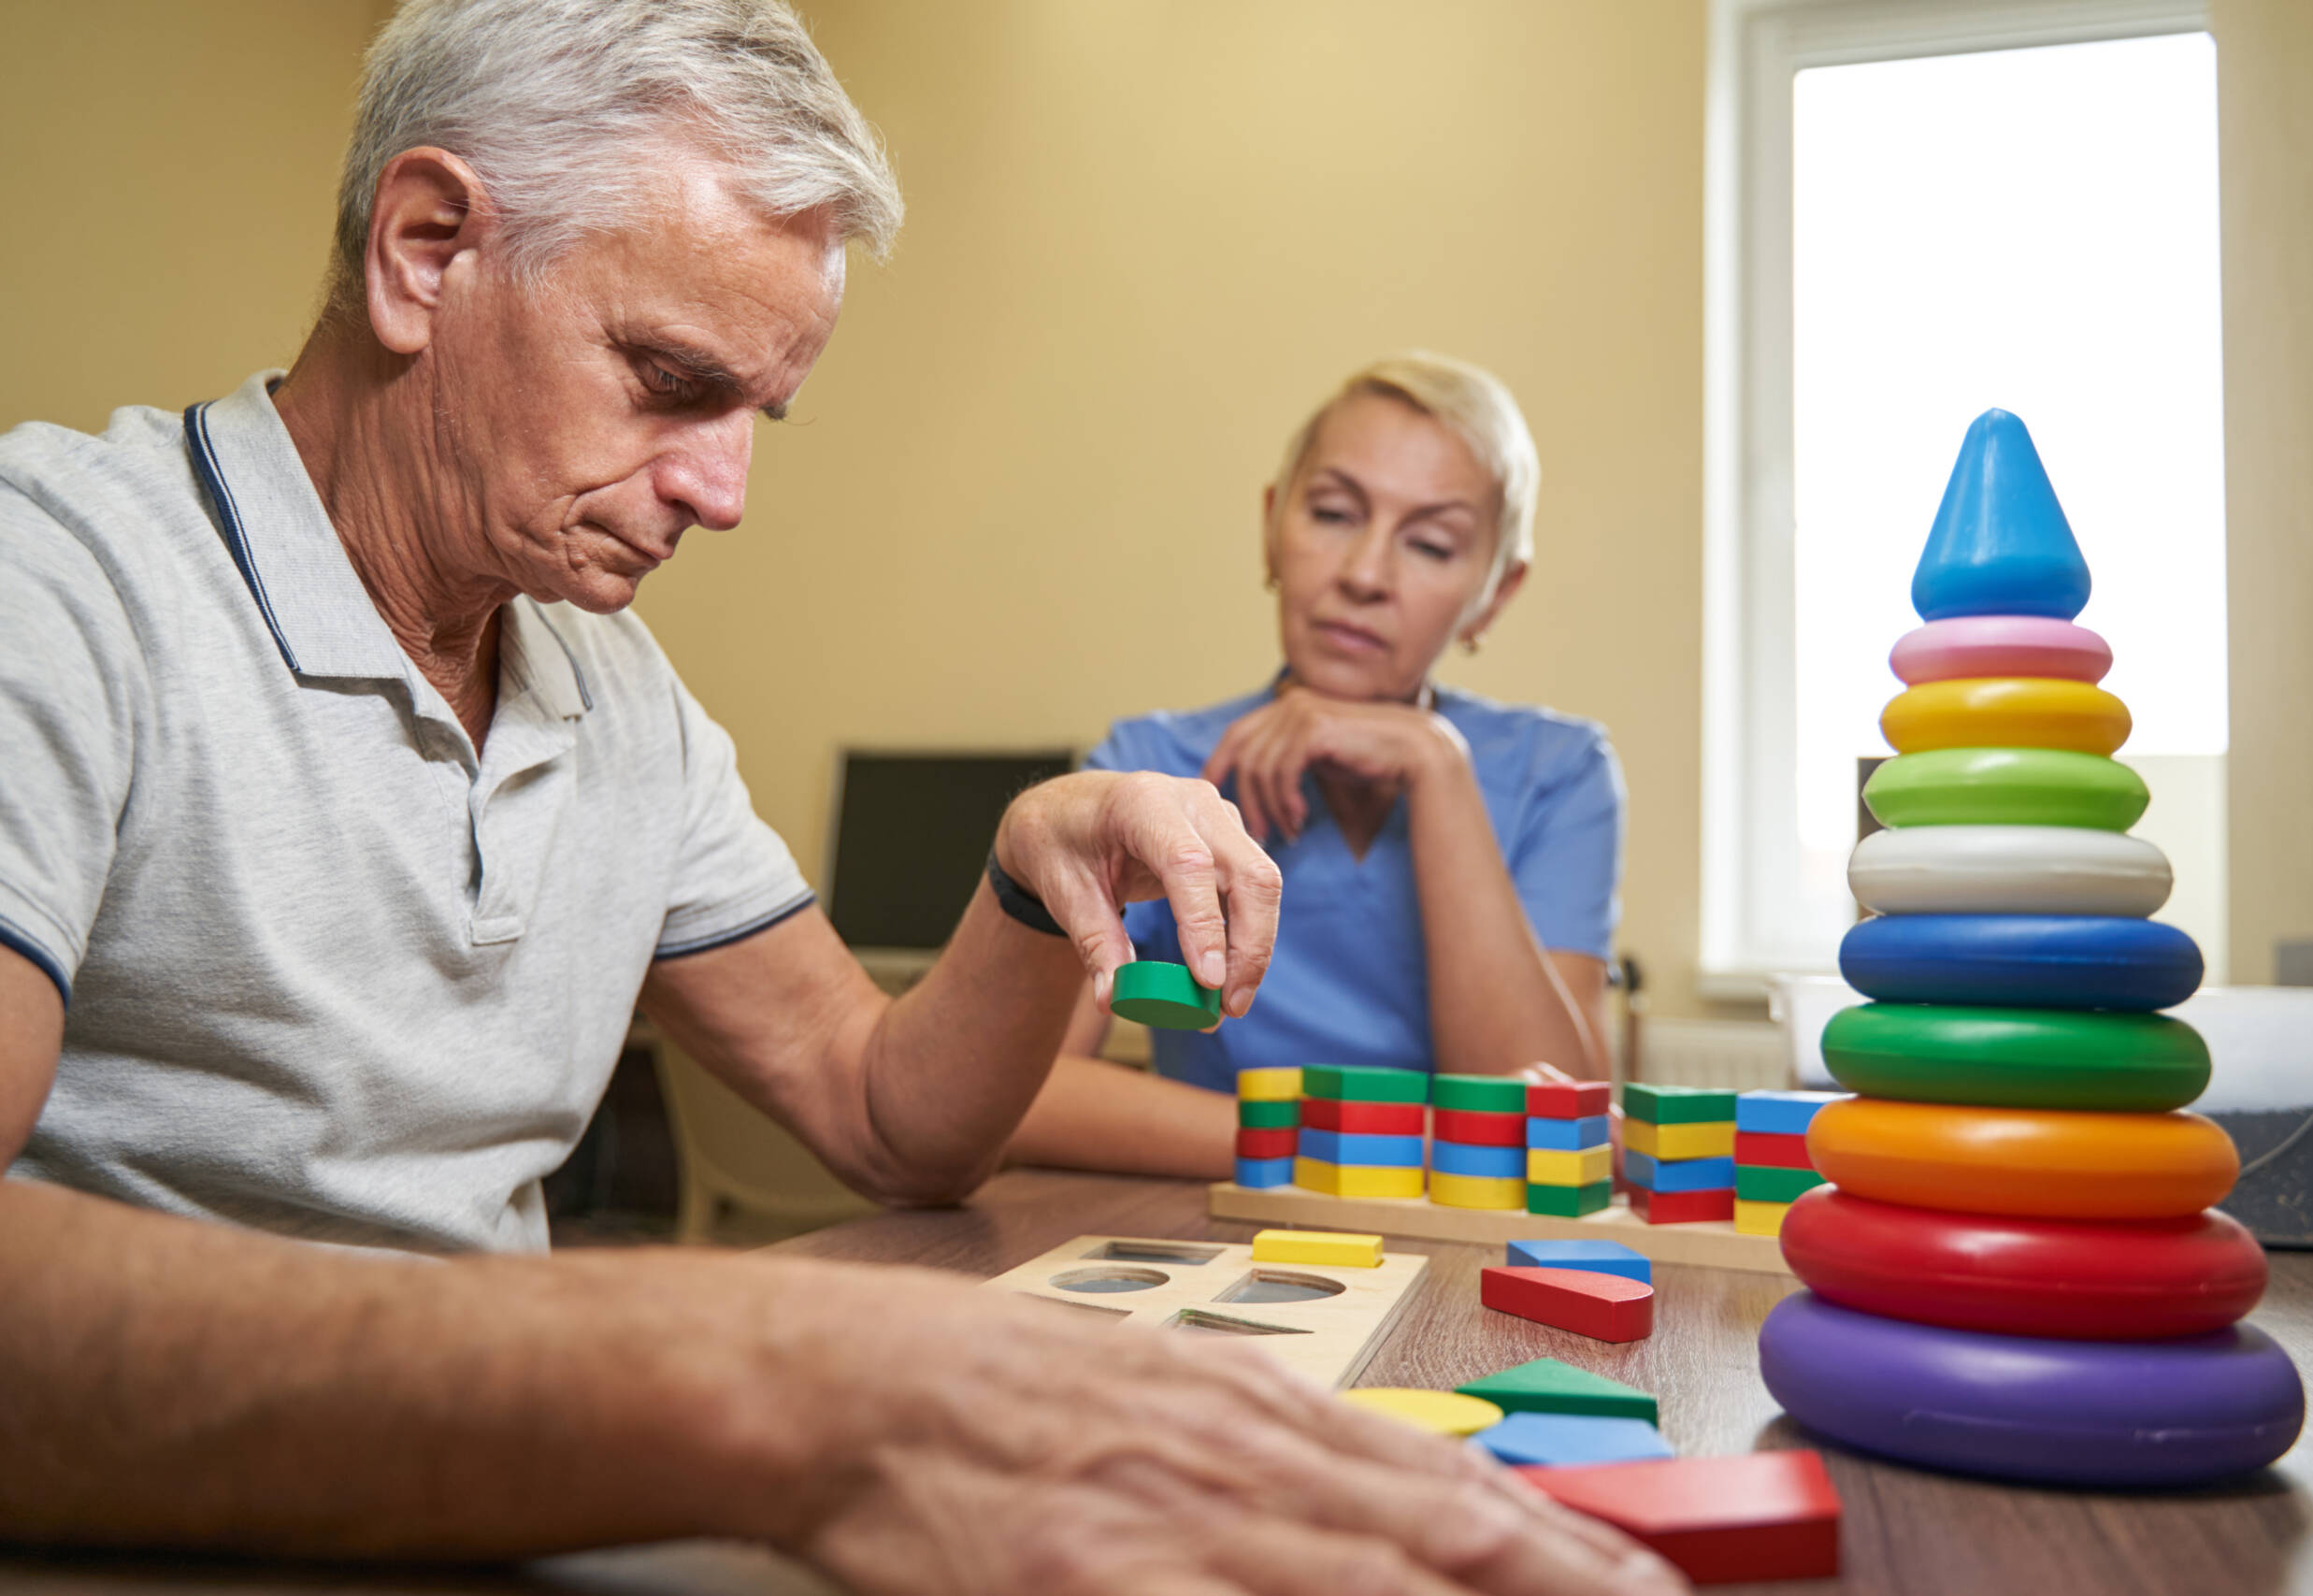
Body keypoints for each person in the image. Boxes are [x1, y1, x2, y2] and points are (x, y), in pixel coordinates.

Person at [0, 4, 1679, 1592]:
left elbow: (885, 1118)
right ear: (426, 251)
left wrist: (1028, 878)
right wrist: (746, 1368)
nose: (723, 492)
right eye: (670, 381)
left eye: (760, 413)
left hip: (486, 1513)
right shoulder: (59, 575)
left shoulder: (614, 689)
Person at [1007, 355, 1624, 1179]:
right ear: (1272, 525)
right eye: (1333, 513)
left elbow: (1557, 1132)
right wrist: (1376, 1150)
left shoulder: (1561, 771)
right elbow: (1014, 1098)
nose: (1364, 575)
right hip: (1223, 1238)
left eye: (1432, 544)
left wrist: (1436, 764)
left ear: (1496, 592)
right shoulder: (1149, 769)